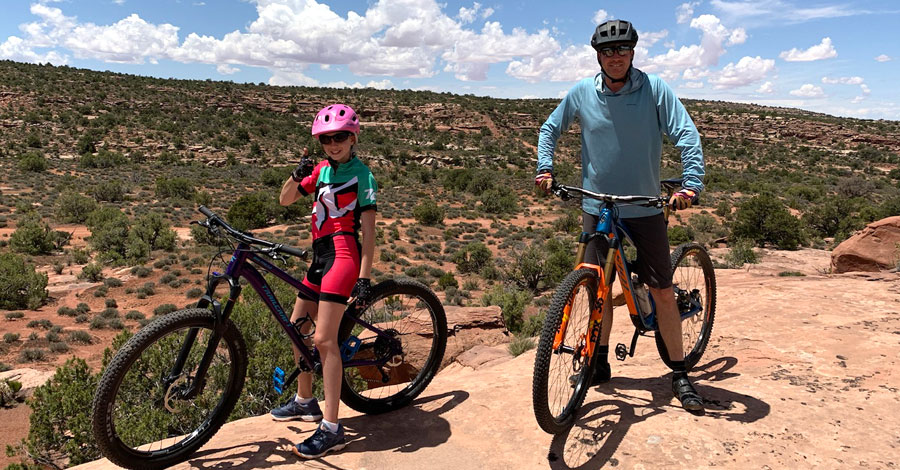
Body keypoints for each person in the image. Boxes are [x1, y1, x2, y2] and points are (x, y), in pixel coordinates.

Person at [535, 19, 706, 411]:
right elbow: (549, 129)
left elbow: (686, 134)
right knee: (597, 286)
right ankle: (599, 360)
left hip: (644, 205)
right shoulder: (582, 91)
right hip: (597, 207)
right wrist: (545, 167)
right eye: (608, 51)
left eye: (622, 50)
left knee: (661, 288)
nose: (615, 57)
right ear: (598, 55)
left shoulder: (654, 88)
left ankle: (679, 372)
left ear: (632, 53)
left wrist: (691, 183)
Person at [272, 104, 378, 457]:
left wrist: (364, 277)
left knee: (323, 340)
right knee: (297, 328)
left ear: (353, 137)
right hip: (318, 256)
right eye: (327, 138)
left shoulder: (363, 176)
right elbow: (285, 200)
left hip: (344, 257)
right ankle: (305, 400)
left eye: (341, 137)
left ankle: (333, 429)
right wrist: (295, 173)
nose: (334, 144)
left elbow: (369, 232)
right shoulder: (319, 171)